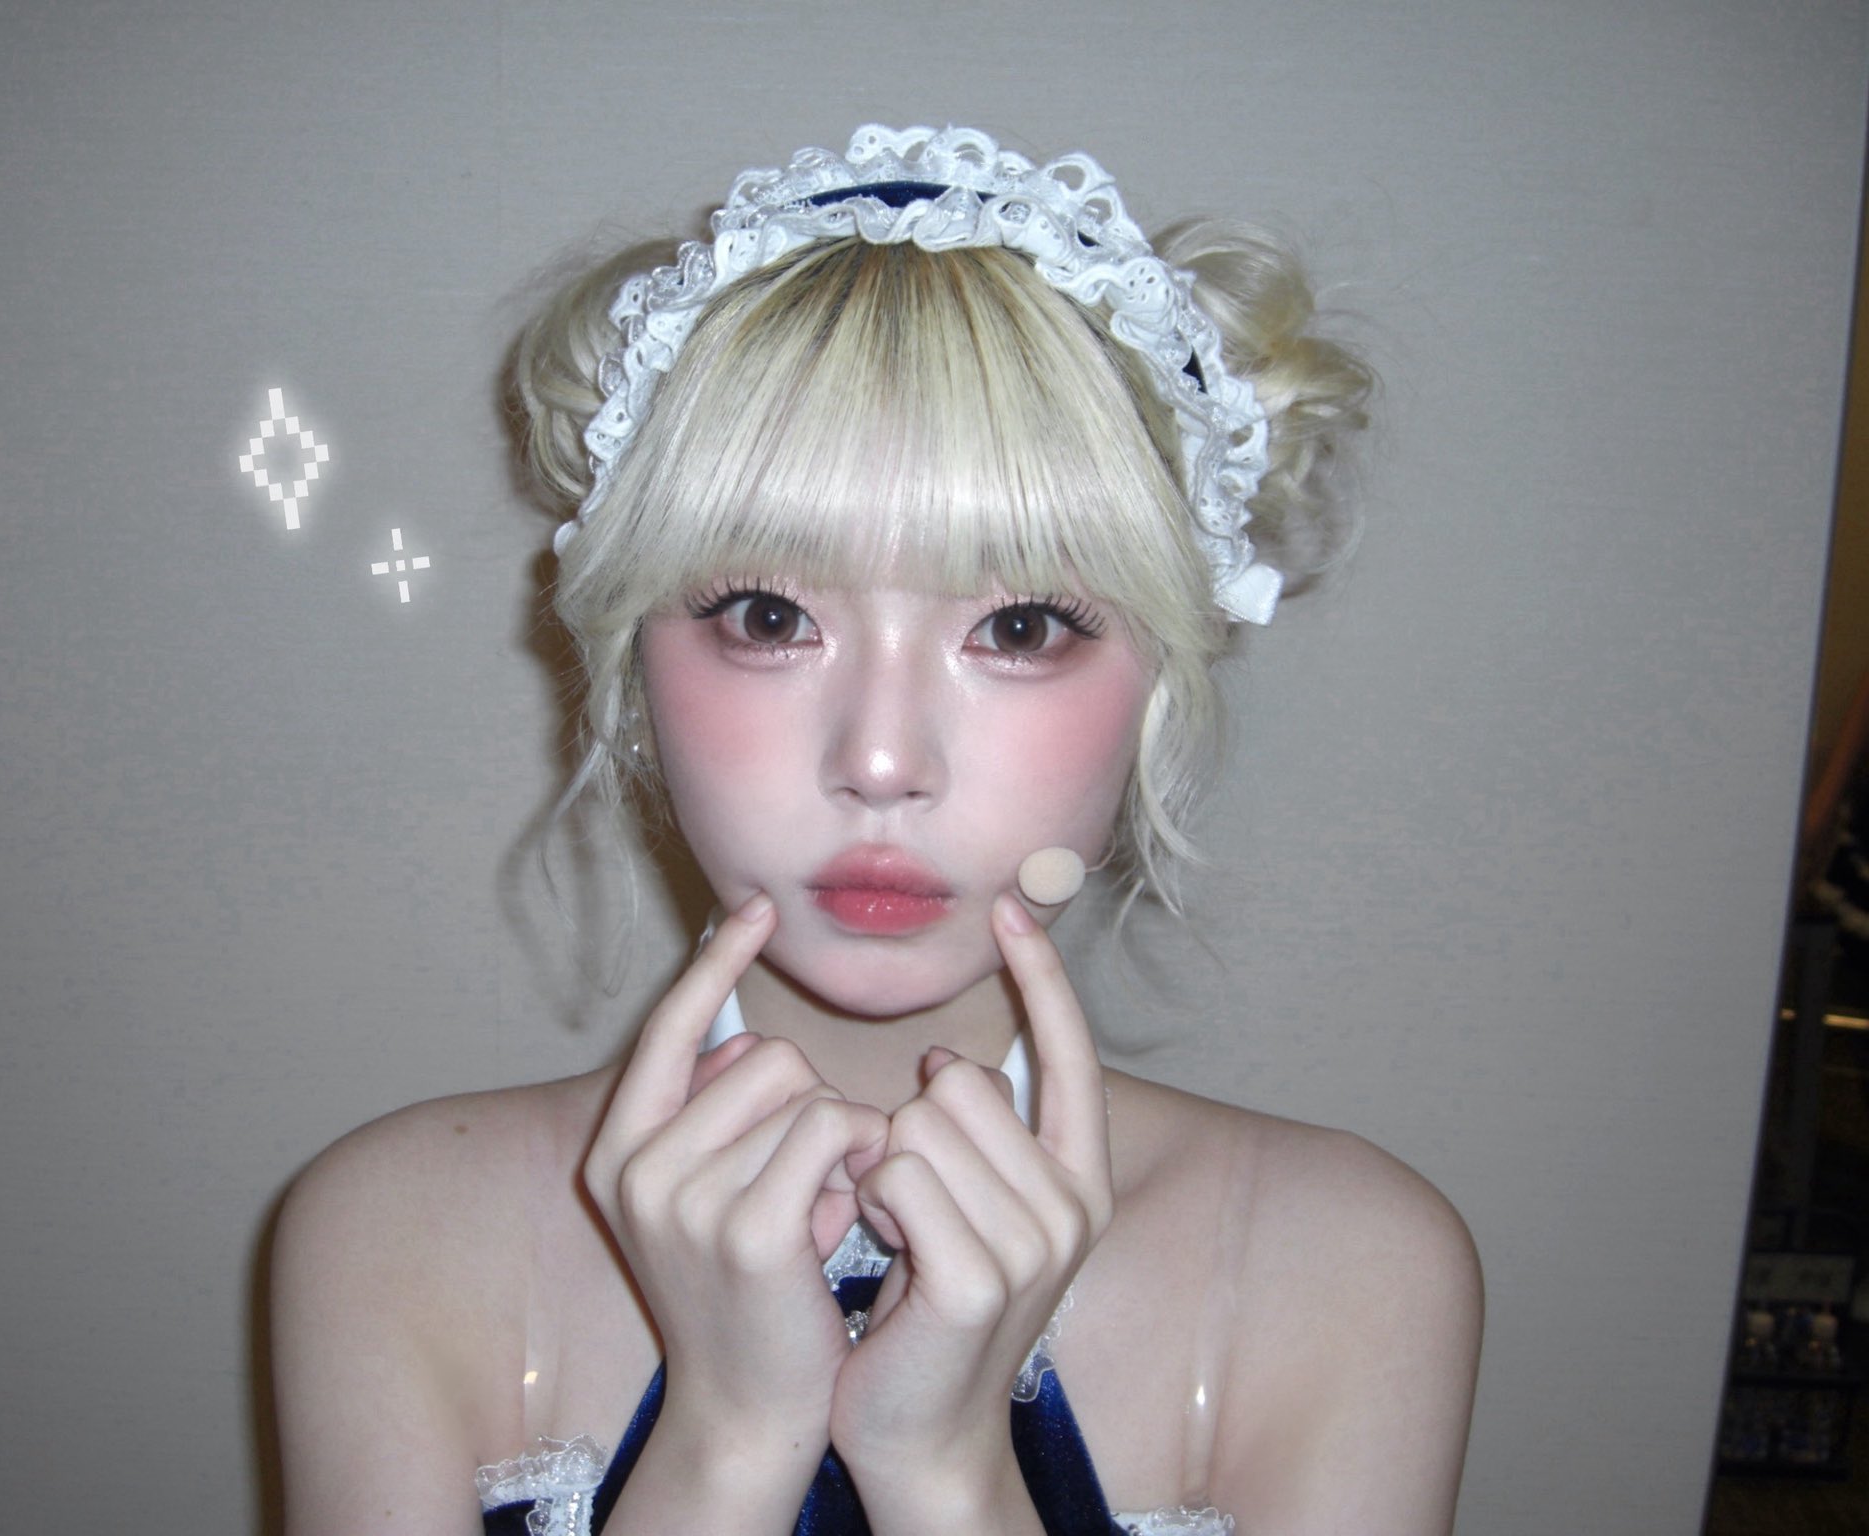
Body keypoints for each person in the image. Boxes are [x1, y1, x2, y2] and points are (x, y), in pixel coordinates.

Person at [270, 124, 1483, 1535]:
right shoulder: (394, 1238)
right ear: (634, 673)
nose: (883, 760)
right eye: (768, 615)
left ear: (1162, 674)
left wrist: (945, 1471)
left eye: (1018, 627)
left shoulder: (1351, 1273)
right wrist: (729, 1441)